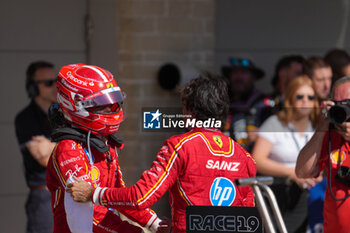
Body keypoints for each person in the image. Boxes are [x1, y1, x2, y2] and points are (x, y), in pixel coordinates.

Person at [67, 74, 257, 233]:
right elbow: (247, 217)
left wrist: (93, 193)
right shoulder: (245, 156)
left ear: (189, 110)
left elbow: (140, 197)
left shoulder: (180, 146)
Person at [45, 64, 161, 232]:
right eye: (101, 103)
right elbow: (88, 211)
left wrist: (155, 224)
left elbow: (117, 195)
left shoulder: (105, 142)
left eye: (113, 102)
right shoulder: (68, 149)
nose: (110, 109)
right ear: (75, 104)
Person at [252, 76, 320, 233]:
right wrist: (292, 172)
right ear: (290, 99)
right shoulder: (274, 123)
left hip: (308, 193)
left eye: (310, 97)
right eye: (300, 96)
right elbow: (257, 160)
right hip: (278, 191)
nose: (305, 101)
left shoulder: (317, 127)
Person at [296, 76, 350, 233]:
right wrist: (321, 128)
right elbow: (302, 171)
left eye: (348, 103)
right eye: (338, 104)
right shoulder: (330, 135)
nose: (344, 110)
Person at [15, 61, 58, 233]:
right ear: (33, 88)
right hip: (45, 199)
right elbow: (45, 159)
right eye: (49, 83)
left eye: (57, 81)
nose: (55, 86)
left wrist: (52, 146)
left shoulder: (65, 114)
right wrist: (71, 149)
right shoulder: (26, 118)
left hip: (72, 195)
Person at [221, 57, 268, 151]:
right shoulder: (220, 103)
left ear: (253, 77)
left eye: (243, 72)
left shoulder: (265, 104)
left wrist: (262, 136)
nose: (238, 77)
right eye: (234, 72)